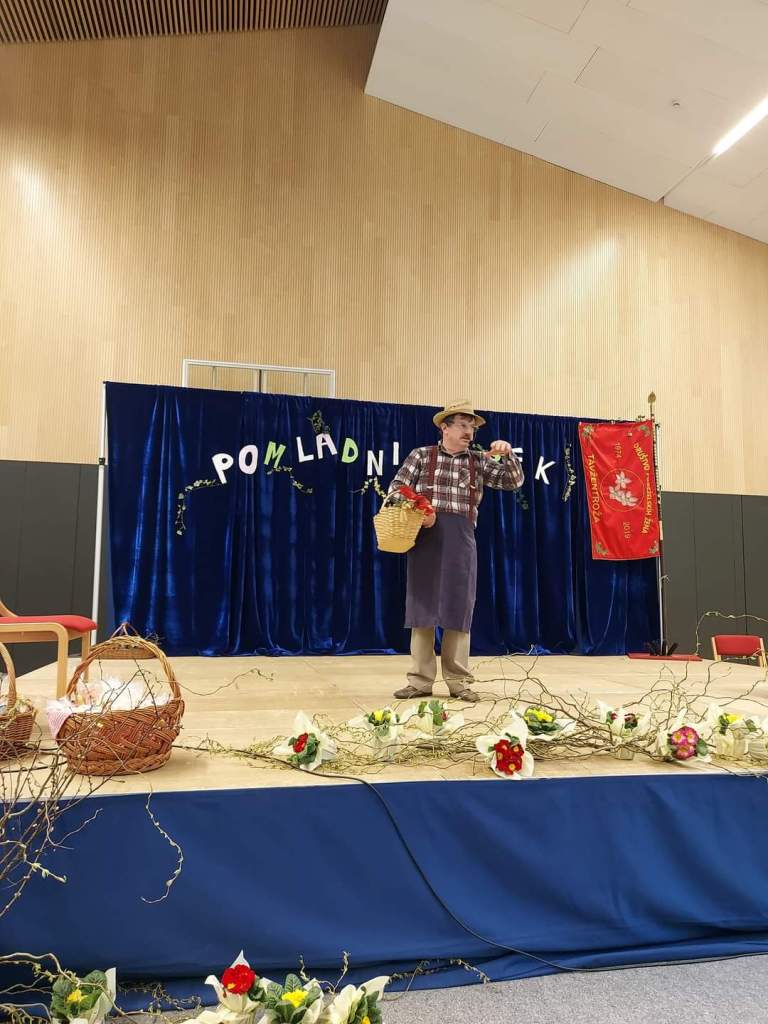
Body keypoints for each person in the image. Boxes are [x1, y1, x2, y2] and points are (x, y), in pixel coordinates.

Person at [388, 400, 524, 702]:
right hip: (424, 539)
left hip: (461, 541)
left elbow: (513, 482)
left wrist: (508, 455)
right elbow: (396, 490)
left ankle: (459, 681)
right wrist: (421, 510)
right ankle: (420, 681)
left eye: (472, 427)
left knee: (459, 609)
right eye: (463, 425)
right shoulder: (421, 455)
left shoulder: (478, 461)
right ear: (444, 427)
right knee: (422, 609)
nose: (469, 432)